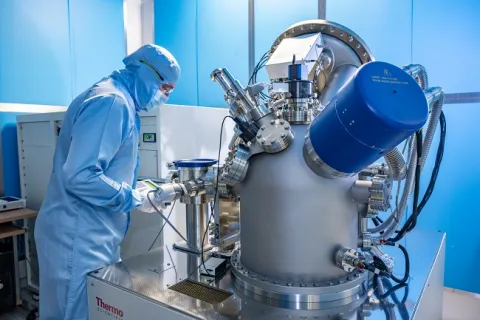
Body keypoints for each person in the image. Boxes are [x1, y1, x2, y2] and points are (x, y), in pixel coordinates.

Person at [34, 44, 180, 320]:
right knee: (73, 314)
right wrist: (135, 198)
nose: (165, 98)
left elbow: (103, 172)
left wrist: (136, 189)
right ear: (149, 74)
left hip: (88, 233)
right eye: (166, 89)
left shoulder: (116, 99)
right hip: (78, 237)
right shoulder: (112, 102)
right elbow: (81, 176)